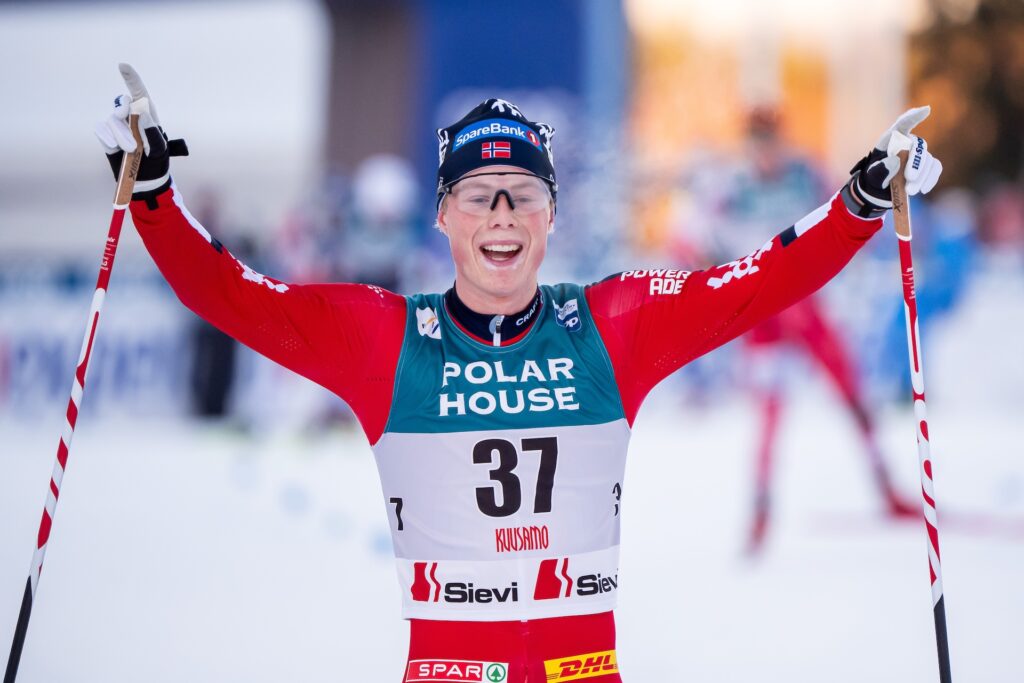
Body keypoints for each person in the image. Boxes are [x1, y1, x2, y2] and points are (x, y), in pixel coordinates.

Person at [95, 64, 942, 682]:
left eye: (522, 193)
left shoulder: (610, 327)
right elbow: (232, 295)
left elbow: (758, 281)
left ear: (551, 214)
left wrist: (861, 200)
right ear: (442, 215)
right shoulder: (387, 339)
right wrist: (154, 194)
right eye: (478, 193)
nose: (501, 212)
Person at [674, 107, 917, 553]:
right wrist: (714, 275)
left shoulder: (805, 173)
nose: (765, 152)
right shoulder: (731, 185)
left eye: (770, 141)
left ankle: (887, 488)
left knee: (851, 390)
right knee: (770, 410)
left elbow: (848, 205)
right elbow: (688, 238)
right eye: (757, 143)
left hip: (806, 306)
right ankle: (761, 510)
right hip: (763, 313)